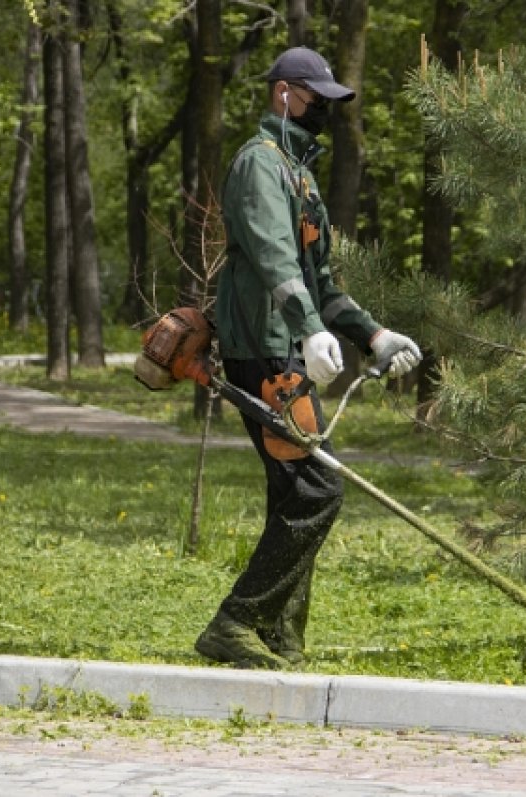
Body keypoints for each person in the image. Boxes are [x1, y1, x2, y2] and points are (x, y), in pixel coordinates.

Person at [194, 46, 422, 669]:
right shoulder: (258, 167)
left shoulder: (298, 175)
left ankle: (280, 638)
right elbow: (273, 259)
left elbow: (318, 279)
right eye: (317, 97)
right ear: (284, 94)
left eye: (330, 101)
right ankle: (236, 622)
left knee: (294, 492)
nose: (325, 109)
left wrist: (372, 335)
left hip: (286, 347)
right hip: (263, 351)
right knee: (317, 490)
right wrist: (310, 331)